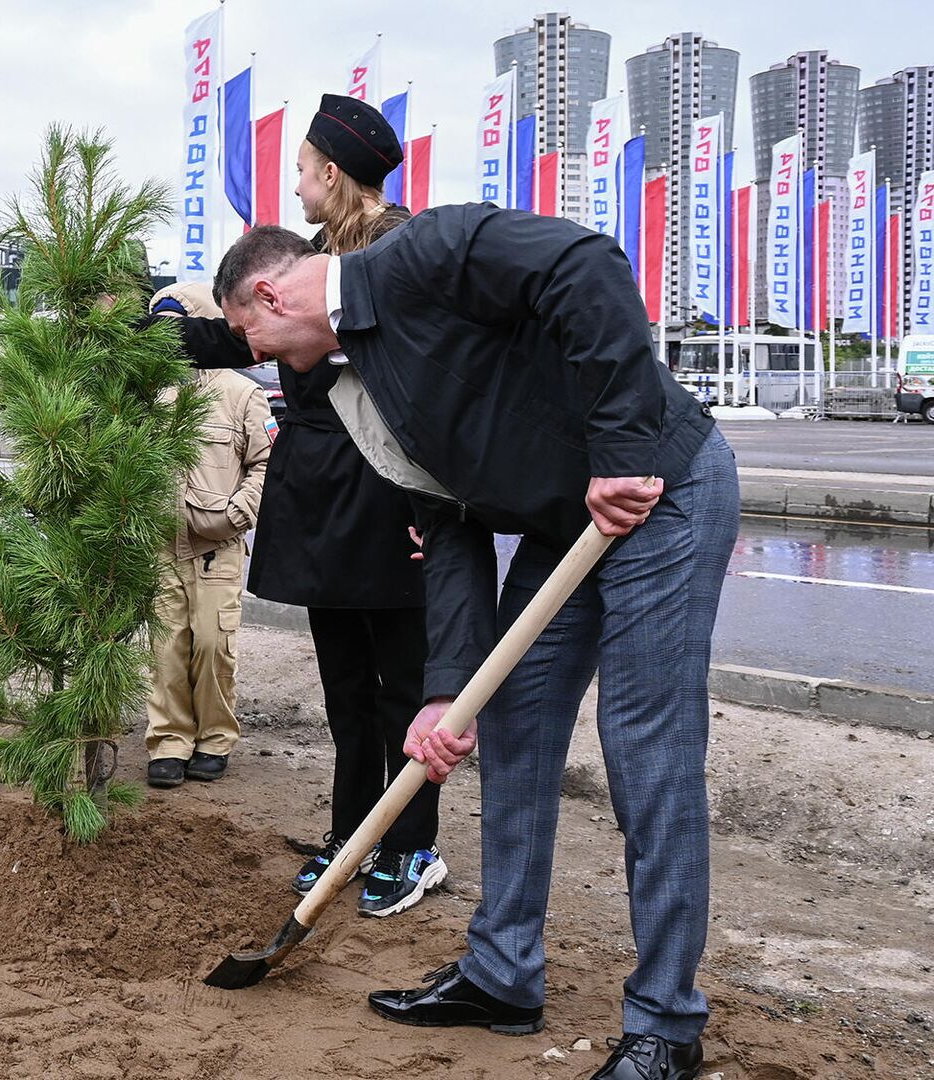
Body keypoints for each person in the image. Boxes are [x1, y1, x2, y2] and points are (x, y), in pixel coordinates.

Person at [207, 212, 734, 1080]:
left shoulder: (422, 255)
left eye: (245, 332)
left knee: (646, 748)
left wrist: (624, 446)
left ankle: (667, 1023)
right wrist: (450, 690)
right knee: (514, 724)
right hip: (562, 523)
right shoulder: (349, 385)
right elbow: (444, 526)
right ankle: (503, 972)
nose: (253, 352)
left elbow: (587, 266)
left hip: (658, 488)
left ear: (270, 292)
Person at [261, 95, 447, 918]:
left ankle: (413, 847)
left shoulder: (406, 252)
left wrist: (431, 501)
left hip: (390, 492)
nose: (297, 188)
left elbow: (430, 381)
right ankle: (351, 833)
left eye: (302, 172)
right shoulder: (308, 260)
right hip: (319, 500)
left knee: (401, 689)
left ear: (333, 173)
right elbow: (249, 335)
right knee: (344, 690)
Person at [141, 283, 269, 789]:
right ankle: (169, 740)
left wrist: (238, 513)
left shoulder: (241, 393)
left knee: (213, 644)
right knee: (165, 647)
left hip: (216, 546)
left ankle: (214, 739)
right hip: (158, 543)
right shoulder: (146, 393)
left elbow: (266, 465)